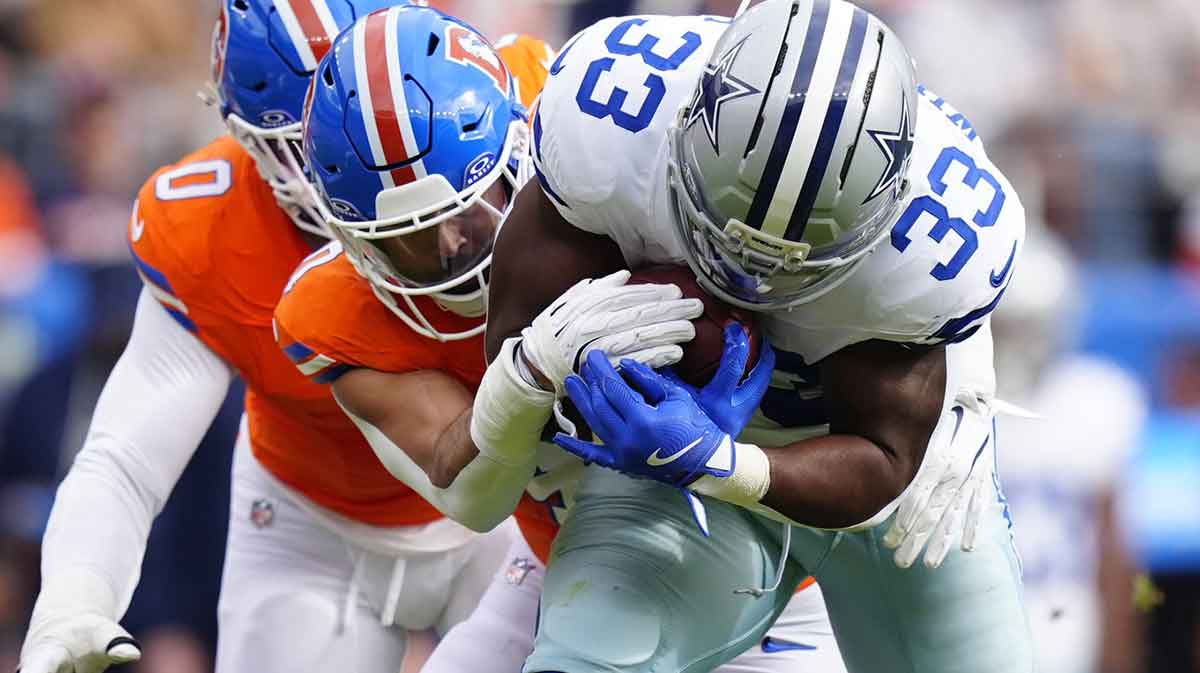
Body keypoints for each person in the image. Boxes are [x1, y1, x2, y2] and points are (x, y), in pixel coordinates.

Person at [275, 5, 847, 672]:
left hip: (765, 566)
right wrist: (527, 374)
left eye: (479, 205)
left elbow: (865, 209)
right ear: (353, 241)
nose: (457, 246)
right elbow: (473, 495)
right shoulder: (337, 314)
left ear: (523, 143)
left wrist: (957, 381)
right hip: (558, 560)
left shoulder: (599, 134)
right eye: (414, 241)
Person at [478, 1, 1034, 671]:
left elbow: (885, 459)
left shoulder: (931, 243)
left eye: (790, 258)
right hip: (669, 478)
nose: (747, 280)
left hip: (886, 502)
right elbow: (517, 350)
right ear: (685, 124)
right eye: (720, 231)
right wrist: (609, 407)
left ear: (887, 207)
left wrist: (720, 459)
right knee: (582, 660)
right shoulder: (613, 121)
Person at [17, 3, 520, 673]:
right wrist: (74, 594)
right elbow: (126, 457)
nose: (342, 166)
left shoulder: (503, 115)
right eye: (302, 143)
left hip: (506, 516)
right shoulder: (212, 229)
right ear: (249, 138)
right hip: (311, 531)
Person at [992, 231, 1147, 673]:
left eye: (1029, 327)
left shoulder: (1094, 399)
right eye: (1008, 328)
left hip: (1065, 630)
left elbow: (1114, 553)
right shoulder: (950, 400)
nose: (1020, 344)